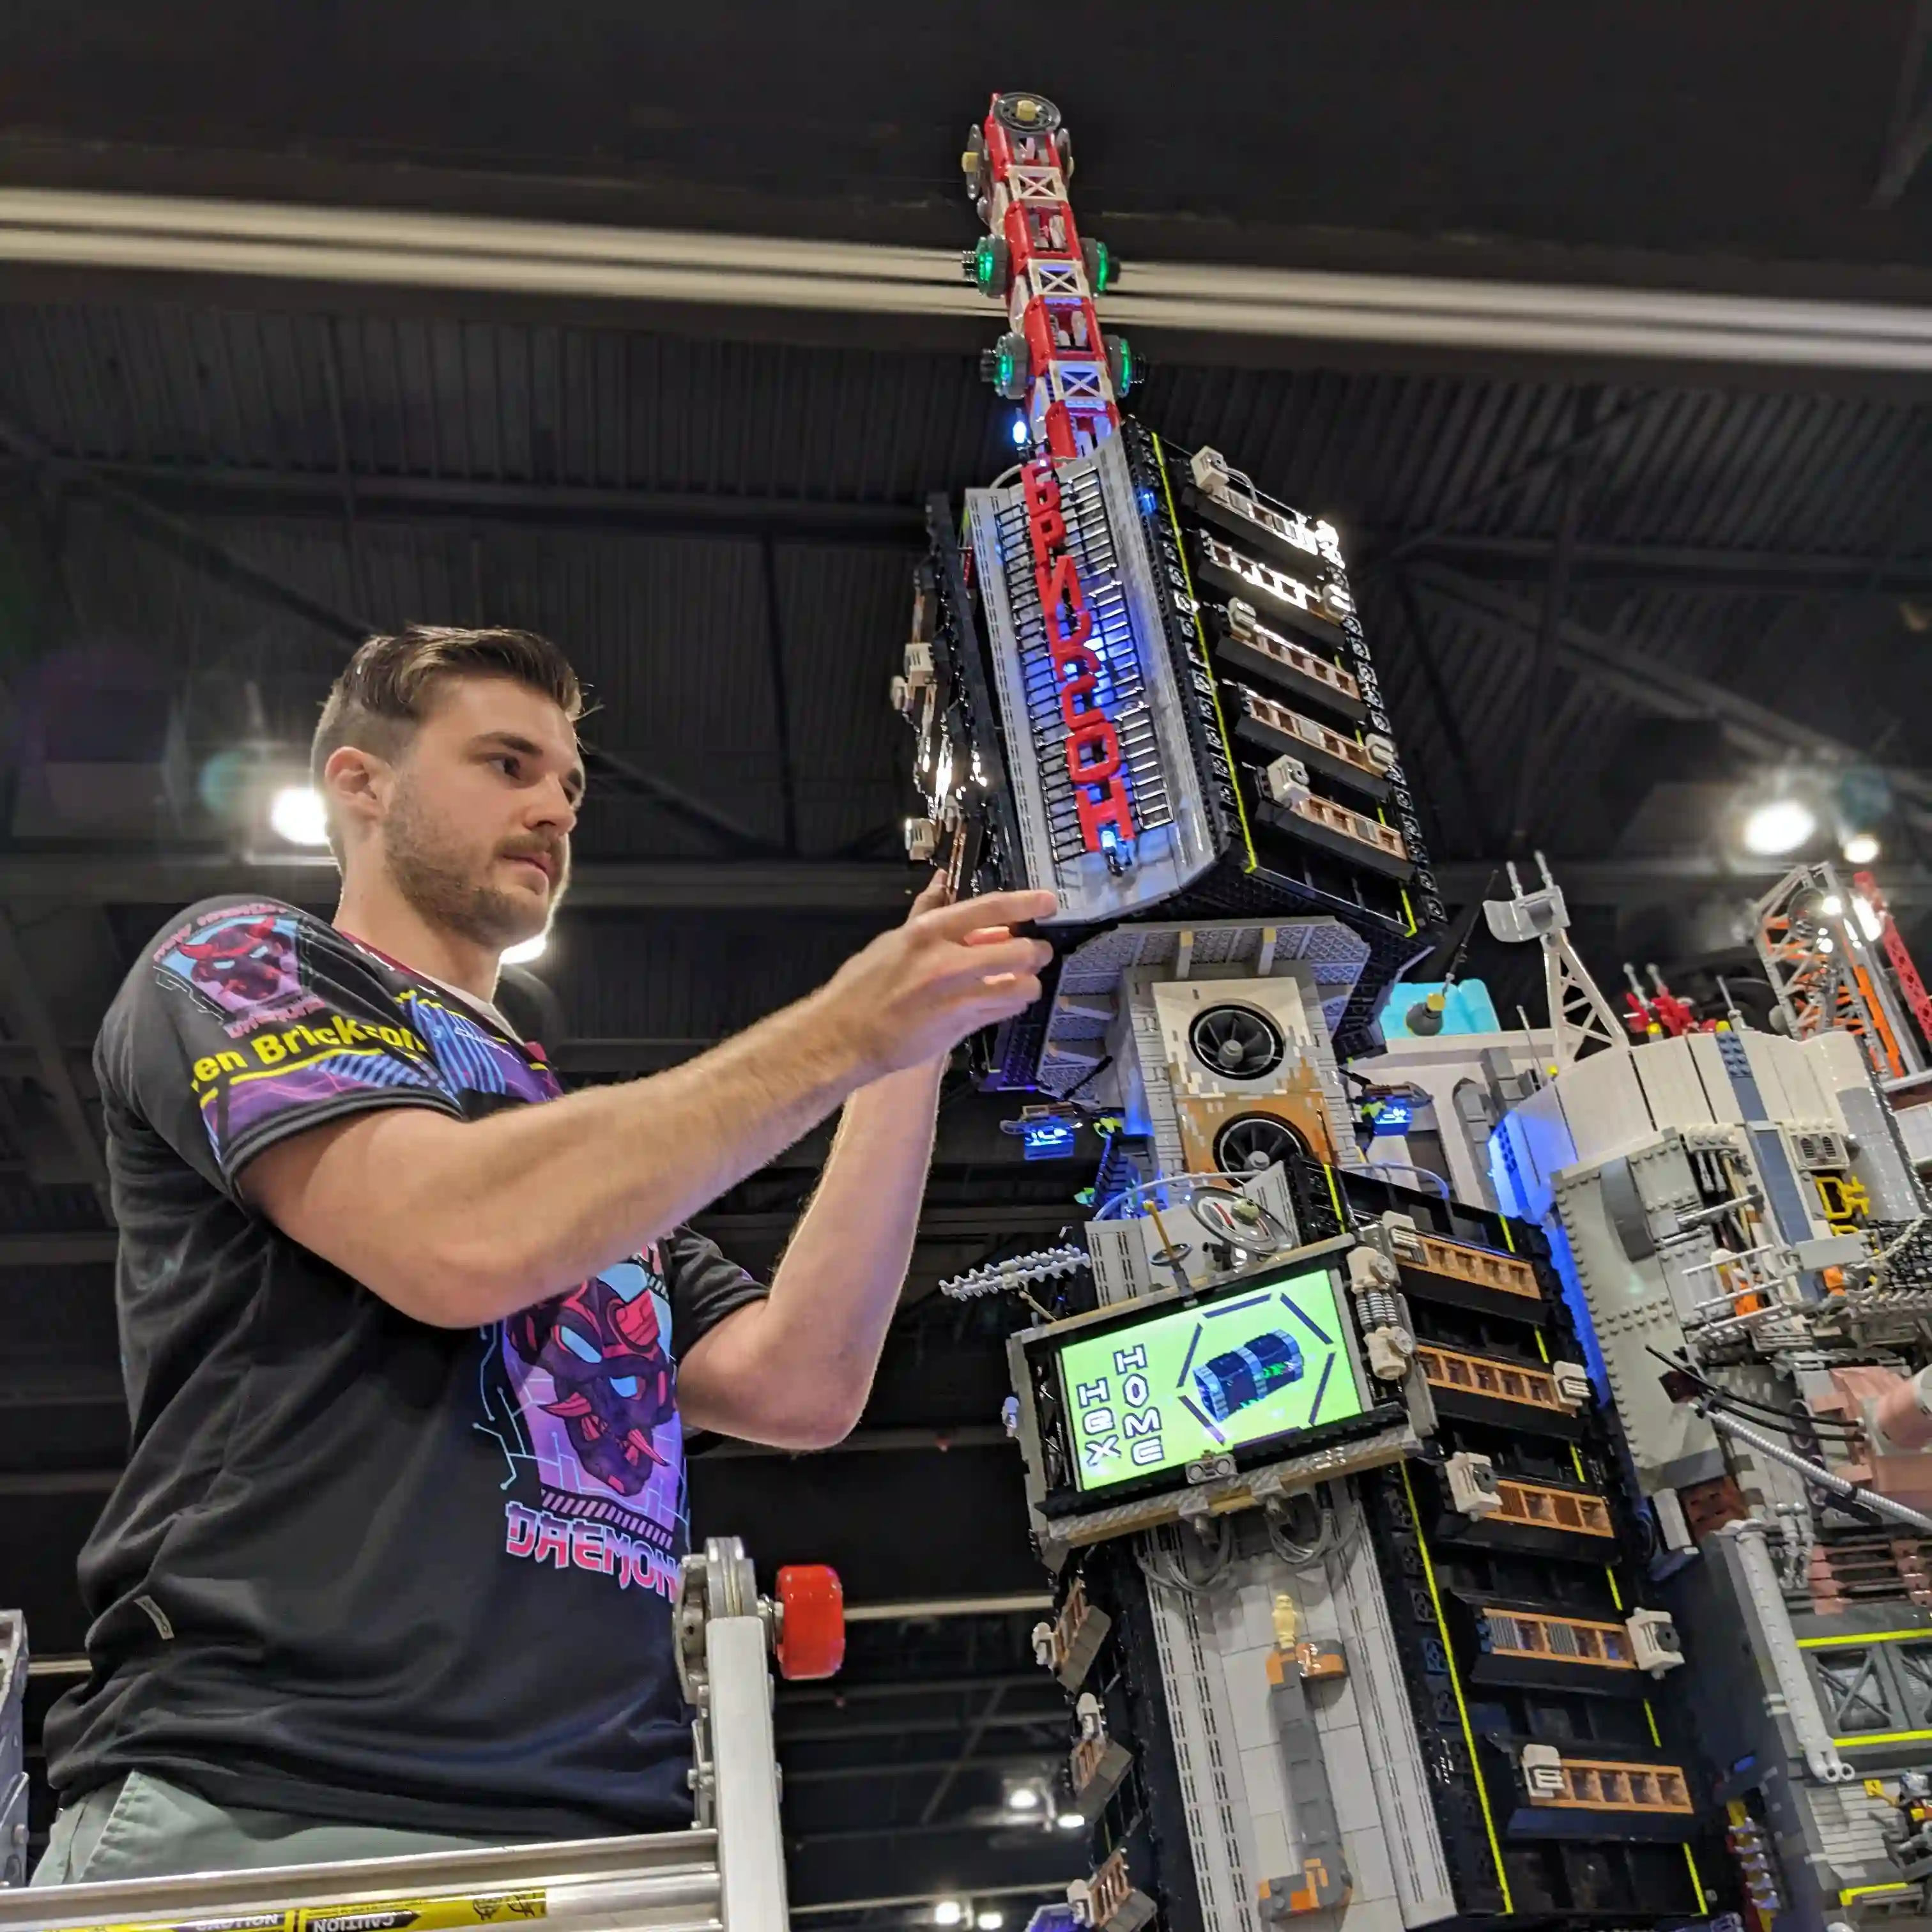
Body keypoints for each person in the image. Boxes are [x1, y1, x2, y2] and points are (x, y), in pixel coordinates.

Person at [36, 624, 1055, 1885]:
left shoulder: (565, 1154)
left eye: (569, 785)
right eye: (507, 764)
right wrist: (841, 1029)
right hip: (278, 1800)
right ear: (362, 784)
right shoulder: (243, 962)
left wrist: (910, 1053)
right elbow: (454, 1239)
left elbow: (803, 1382)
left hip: (606, 1839)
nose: (553, 810)